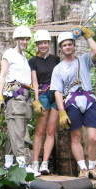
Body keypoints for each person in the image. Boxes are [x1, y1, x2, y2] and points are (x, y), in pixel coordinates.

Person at [50, 27, 96, 179]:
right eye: (64, 45)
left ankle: (92, 166)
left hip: (88, 99)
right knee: (76, 137)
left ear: (73, 45)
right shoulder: (58, 69)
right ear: (61, 48)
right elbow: (57, 92)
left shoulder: (84, 60)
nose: (67, 47)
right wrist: (61, 112)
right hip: (71, 101)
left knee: (93, 137)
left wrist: (87, 36)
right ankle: (83, 168)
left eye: (69, 44)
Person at [0, 26, 40, 177]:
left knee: (16, 131)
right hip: (14, 96)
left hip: (25, 96)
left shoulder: (24, 57)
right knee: (17, 130)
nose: (24, 41)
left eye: (27, 39)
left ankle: (8, 162)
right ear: (16, 40)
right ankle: (22, 164)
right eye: (22, 39)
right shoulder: (9, 54)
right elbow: (3, 75)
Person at [29, 29, 61, 175]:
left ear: (49, 43)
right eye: (40, 43)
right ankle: (35, 162)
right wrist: (36, 100)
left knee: (51, 131)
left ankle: (45, 163)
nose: (43, 45)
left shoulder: (55, 59)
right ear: (37, 45)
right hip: (42, 94)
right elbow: (34, 81)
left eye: (45, 42)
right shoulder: (33, 61)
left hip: (56, 94)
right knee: (39, 131)